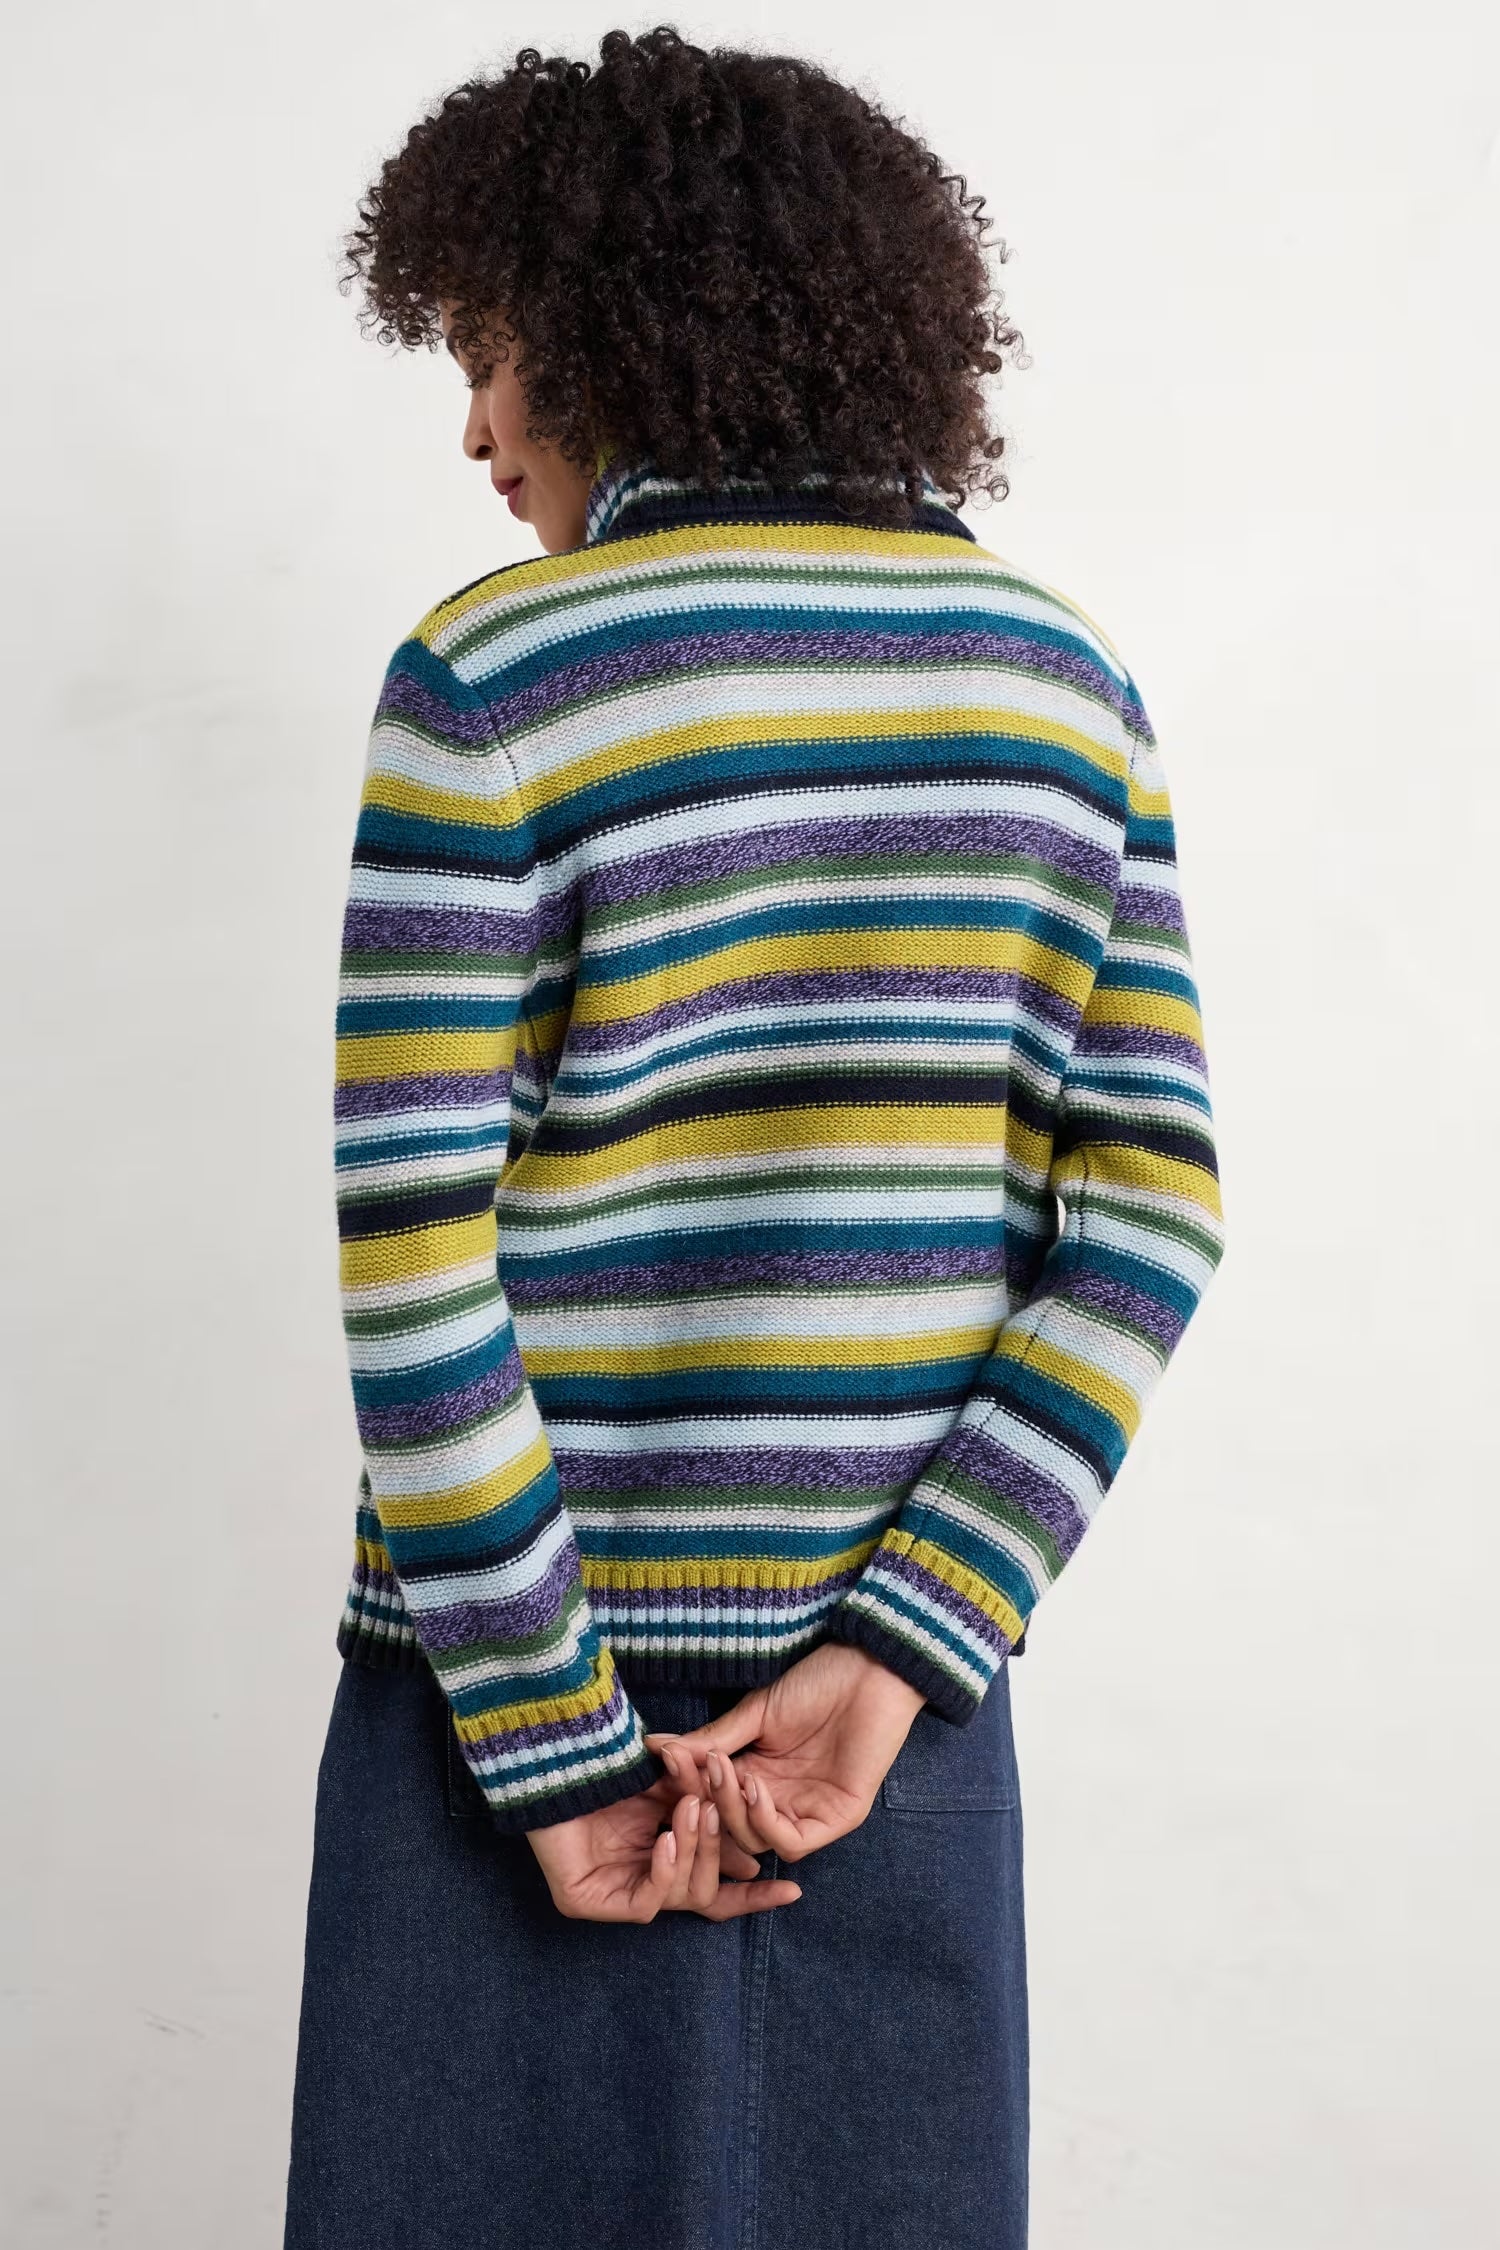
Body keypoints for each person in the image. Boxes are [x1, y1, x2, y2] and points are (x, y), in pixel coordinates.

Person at [281, 26, 1226, 2250]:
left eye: (487, 350)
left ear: (605, 326)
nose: (475, 425)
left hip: (487, 1716)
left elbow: (416, 1255)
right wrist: (901, 1649)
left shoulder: (495, 679)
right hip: (886, 1738)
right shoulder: (1060, 689)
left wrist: (549, 1732)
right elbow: (1152, 1223)